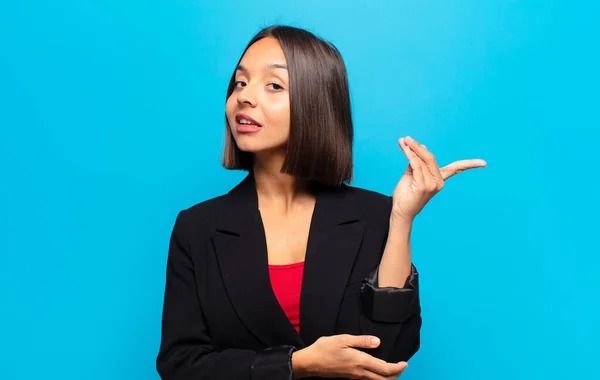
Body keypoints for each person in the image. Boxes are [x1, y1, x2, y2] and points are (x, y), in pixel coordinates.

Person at [156, 25, 486, 380]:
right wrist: (296, 364)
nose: (245, 97)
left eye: (274, 85)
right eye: (240, 82)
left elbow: (389, 353)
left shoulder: (374, 215)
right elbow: (180, 364)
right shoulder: (197, 227)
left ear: (315, 103)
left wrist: (402, 218)